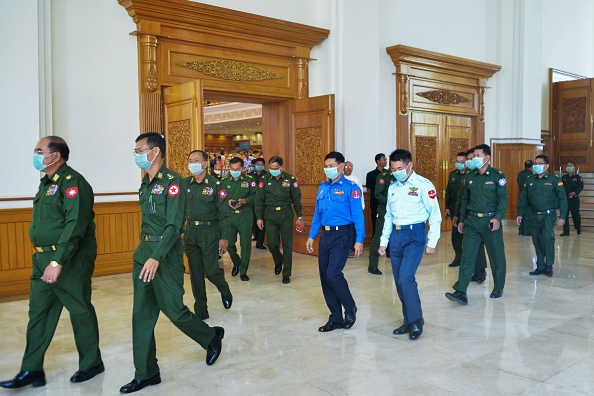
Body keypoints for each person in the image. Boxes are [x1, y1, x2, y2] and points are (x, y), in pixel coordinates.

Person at [120, 133, 224, 394]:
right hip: (144, 252)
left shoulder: (173, 182)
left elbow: (174, 224)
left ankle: (210, 336)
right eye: (135, 151)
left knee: (174, 310)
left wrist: (156, 255)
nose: (137, 155)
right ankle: (146, 373)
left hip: (164, 254)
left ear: (155, 152)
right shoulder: (145, 183)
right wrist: (145, 253)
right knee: (141, 315)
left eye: (140, 150)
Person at [0, 136, 104, 389]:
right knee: (39, 312)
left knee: (79, 309)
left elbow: (75, 225)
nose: (36, 155)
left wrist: (57, 262)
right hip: (42, 258)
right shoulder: (47, 184)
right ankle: (31, 369)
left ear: (55, 156)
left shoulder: (72, 183)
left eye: (39, 151)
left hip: (67, 258)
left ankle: (91, 362)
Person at [378, 149, 441, 341]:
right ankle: (408, 320)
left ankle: (416, 320)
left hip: (415, 235)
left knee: (406, 278)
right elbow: (388, 215)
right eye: (393, 169)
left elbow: (435, 215)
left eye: (399, 168)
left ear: (409, 165)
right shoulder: (393, 187)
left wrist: (432, 241)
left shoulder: (423, 185)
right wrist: (383, 241)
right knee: (398, 281)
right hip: (396, 236)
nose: (396, 172)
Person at [306, 151, 364, 332]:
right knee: (325, 277)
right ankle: (336, 318)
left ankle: (350, 306)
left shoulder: (351, 187)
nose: (328, 169)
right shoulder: (322, 187)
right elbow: (318, 214)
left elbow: (358, 215)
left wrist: (359, 240)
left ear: (341, 166)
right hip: (326, 236)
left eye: (331, 166)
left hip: (343, 235)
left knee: (333, 274)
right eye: (326, 166)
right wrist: (311, 235)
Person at [445, 144, 508, 305]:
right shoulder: (468, 177)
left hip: (490, 222)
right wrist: (462, 219)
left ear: (487, 158)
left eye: (477, 156)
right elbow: (465, 199)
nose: (473, 159)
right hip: (472, 221)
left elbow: (503, 200)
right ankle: (461, 291)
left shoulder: (497, 176)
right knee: (467, 256)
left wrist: (498, 218)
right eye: (472, 157)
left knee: (496, 255)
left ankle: (498, 286)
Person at [184, 150, 232, 320]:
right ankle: (201, 309)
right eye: (190, 160)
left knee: (211, 270)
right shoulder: (185, 184)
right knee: (195, 273)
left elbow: (224, 213)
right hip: (191, 232)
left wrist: (224, 237)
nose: (193, 163)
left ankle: (224, 289)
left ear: (205, 164)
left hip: (210, 232)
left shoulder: (215, 184)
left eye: (196, 160)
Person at [255, 156, 303, 284]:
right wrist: (259, 217)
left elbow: (297, 199)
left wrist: (300, 217)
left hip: (286, 214)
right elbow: (259, 200)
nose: (273, 170)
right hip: (269, 215)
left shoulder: (290, 179)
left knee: (287, 245)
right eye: (271, 168)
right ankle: (278, 260)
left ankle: (286, 273)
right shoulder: (264, 179)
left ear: (281, 167)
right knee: (271, 243)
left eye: (275, 168)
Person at [516, 155, 567, 277]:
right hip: (534, 215)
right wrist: (520, 214)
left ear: (547, 166)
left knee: (547, 237)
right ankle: (540, 266)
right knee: (536, 239)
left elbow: (562, 198)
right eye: (535, 163)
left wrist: (563, 216)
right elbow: (523, 199)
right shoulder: (530, 180)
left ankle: (549, 265)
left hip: (548, 215)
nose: (537, 166)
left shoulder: (554, 179)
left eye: (540, 163)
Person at [451, 148, 488, 283]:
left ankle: (480, 271)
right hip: (464, 214)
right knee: (467, 246)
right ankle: (473, 271)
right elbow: (461, 198)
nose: (471, 161)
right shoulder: (466, 176)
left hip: (475, 216)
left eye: (473, 158)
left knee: (477, 246)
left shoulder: (481, 175)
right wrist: (457, 215)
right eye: (470, 159)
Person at [224, 157, 257, 280]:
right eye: (232, 169)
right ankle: (237, 261)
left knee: (245, 244)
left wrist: (244, 201)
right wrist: (227, 201)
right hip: (229, 216)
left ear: (242, 168)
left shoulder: (249, 180)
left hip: (245, 215)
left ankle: (243, 271)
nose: (234, 171)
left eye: (237, 169)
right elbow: (219, 197)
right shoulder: (224, 181)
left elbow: (256, 197)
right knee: (228, 243)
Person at [367, 166, 396, 275]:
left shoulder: (403, 177)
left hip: (398, 212)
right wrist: (391, 203)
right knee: (379, 236)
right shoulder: (383, 176)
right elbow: (378, 194)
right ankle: (373, 265)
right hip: (385, 211)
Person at [445, 152, 468, 267]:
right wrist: (447, 207)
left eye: (462, 162)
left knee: (466, 237)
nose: (460, 164)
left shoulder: (469, 175)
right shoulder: (453, 174)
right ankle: (458, 257)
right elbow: (448, 191)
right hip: (454, 210)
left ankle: (466, 259)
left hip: (466, 211)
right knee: (455, 237)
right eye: (458, 162)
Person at [344, 160, 365, 258]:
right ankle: (345, 249)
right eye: (347, 166)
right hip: (345, 211)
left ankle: (352, 249)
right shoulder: (341, 178)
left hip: (355, 210)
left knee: (353, 230)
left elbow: (360, 195)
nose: (349, 169)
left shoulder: (355, 179)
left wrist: (362, 207)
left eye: (351, 167)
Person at [365, 153, 387, 235]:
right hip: (375, 203)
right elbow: (369, 189)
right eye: (384, 159)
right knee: (376, 223)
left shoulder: (388, 174)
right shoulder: (371, 174)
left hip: (386, 203)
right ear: (378, 161)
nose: (386, 161)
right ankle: (375, 244)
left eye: (386, 159)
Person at [561, 161, 584, 236]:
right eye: (567, 165)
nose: (568, 167)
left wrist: (574, 193)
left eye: (570, 166)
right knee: (565, 215)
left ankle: (578, 228)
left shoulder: (578, 178)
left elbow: (580, 187)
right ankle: (566, 231)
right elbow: (560, 187)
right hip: (565, 200)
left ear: (574, 168)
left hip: (574, 199)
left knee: (575, 215)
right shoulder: (563, 178)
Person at [249, 157, 268, 249]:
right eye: (257, 164)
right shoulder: (250, 176)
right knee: (252, 221)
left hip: (262, 202)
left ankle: (260, 242)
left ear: (264, 166)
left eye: (261, 165)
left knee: (261, 221)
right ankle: (254, 235)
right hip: (252, 202)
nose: (259, 166)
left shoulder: (267, 175)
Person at [517, 160, 534, 236]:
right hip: (528, 195)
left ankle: (521, 230)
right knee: (527, 213)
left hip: (521, 194)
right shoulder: (531, 174)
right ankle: (526, 231)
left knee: (521, 212)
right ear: (532, 166)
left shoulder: (520, 173)